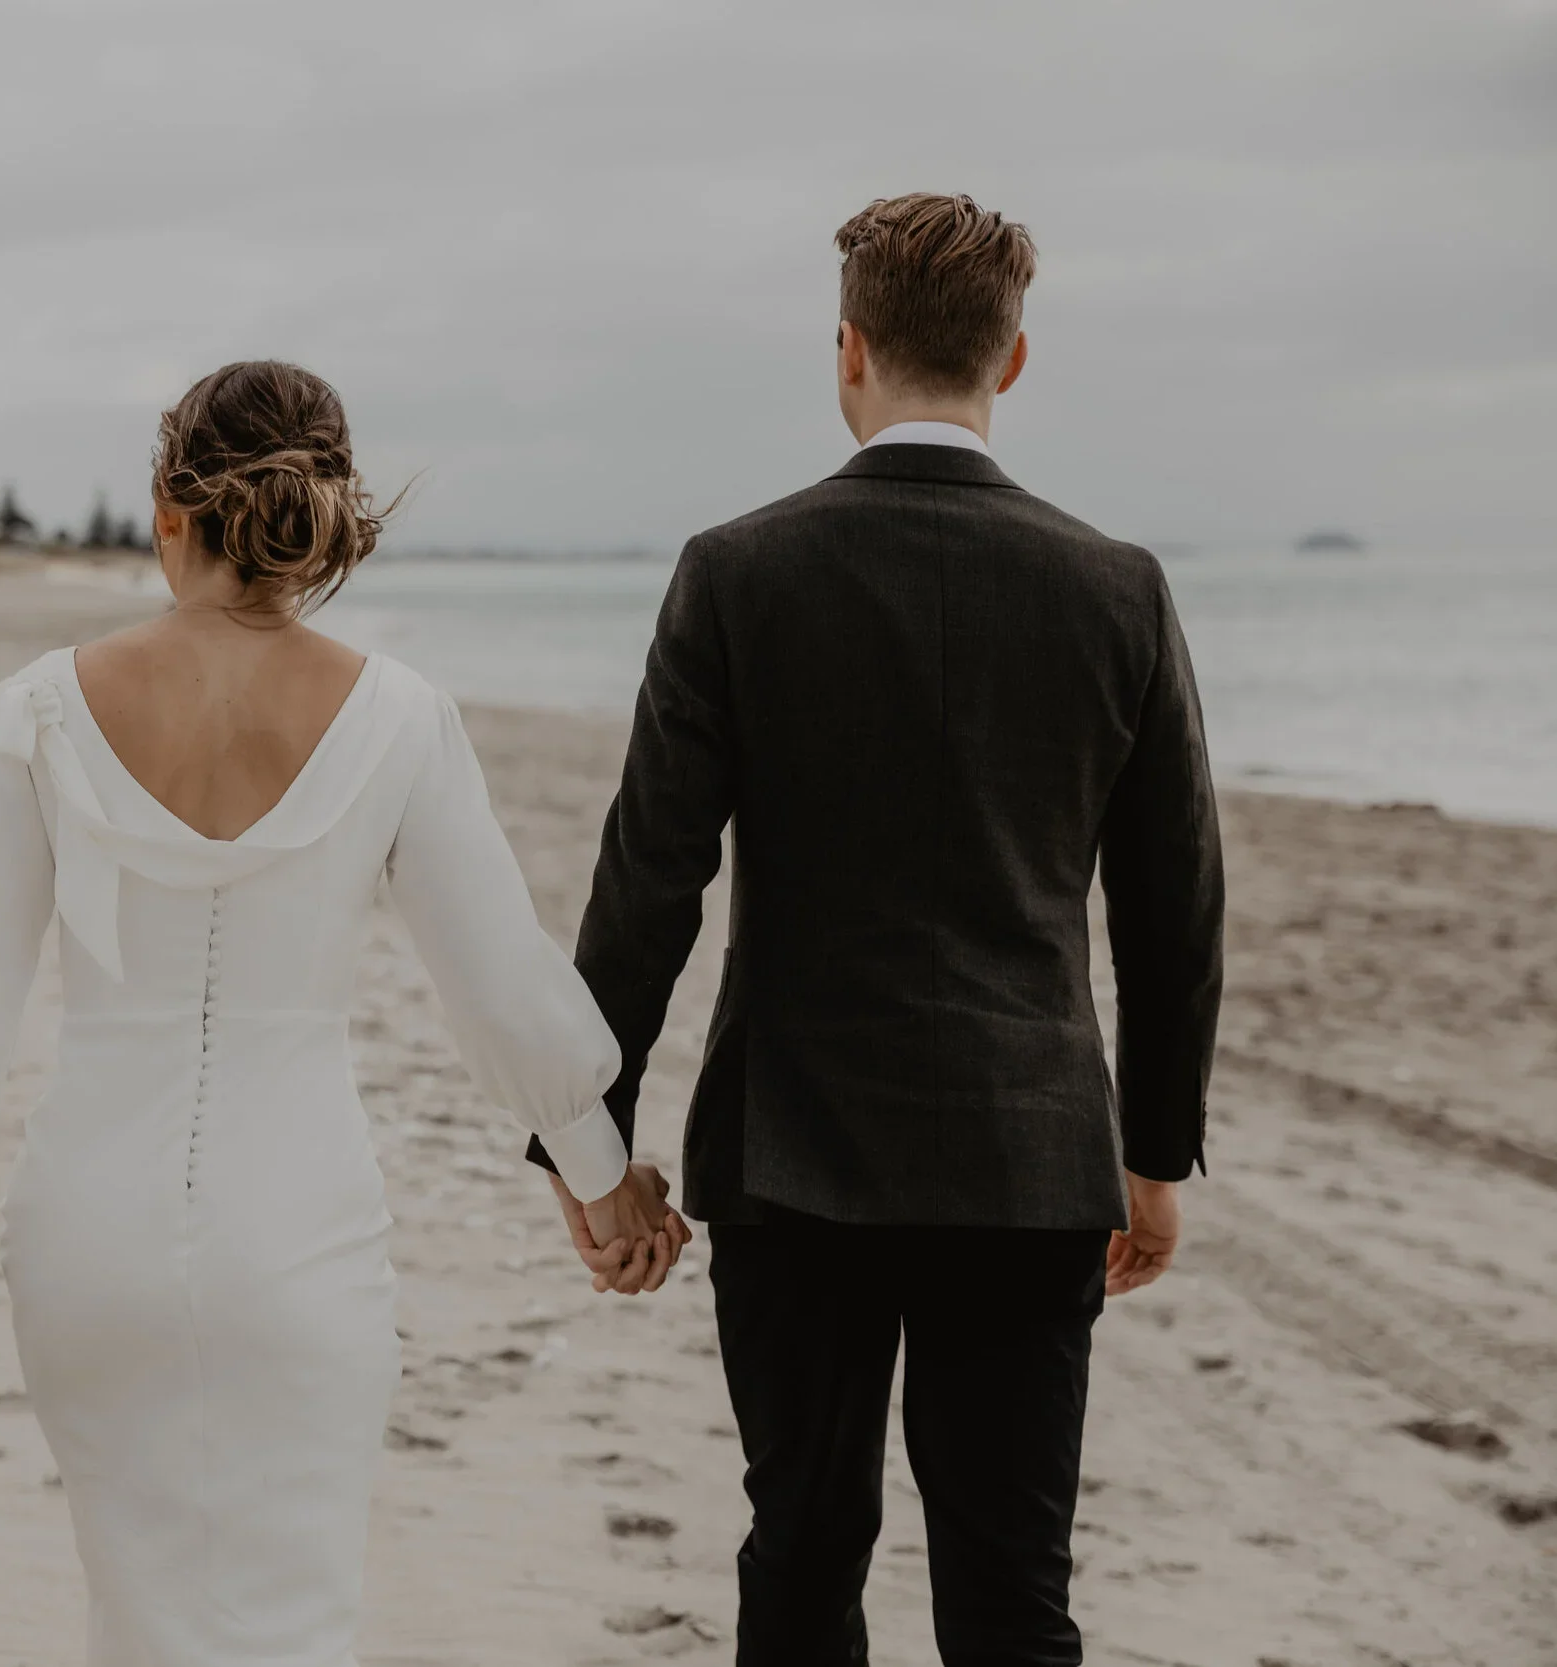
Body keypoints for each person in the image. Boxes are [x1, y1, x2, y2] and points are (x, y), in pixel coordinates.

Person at [0, 360, 688, 1665]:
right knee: (292, 1618)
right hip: (299, 1232)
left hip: (88, 1232)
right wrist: (604, 1183)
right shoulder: (402, 716)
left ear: (170, 508)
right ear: (327, 519)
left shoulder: (39, 709)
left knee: (140, 1615)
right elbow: (502, 990)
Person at [537, 194, 1225, 1664]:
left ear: (844, 352)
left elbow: (648, 882)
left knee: (801, 1547)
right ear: (1014, 362)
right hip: (1031, 1159)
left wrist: (586, 1145)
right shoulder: (1121, 589)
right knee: (1010, 1588)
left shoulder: (737, 572)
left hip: (793, 1159)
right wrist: (1154, 1153)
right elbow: (1175, 910)